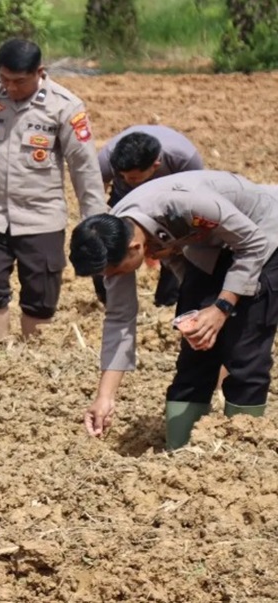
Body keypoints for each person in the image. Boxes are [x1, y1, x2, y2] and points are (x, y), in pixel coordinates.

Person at [70, 170, 277, 450]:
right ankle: (181, 450)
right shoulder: (113, 235)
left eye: (115, 272)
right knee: (196, 348)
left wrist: (222, 307)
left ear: (135, 247)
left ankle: (243, 451)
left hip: (263, 234)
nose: (114, 278)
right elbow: (120, 319)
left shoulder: (187, 205)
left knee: (245, 352)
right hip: (211, 247)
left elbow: (253, 243)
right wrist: (105, 397)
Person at [0, 38, 105, 344]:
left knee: (41, 295)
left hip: (42, 217)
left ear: (40, 72)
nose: (10, 88)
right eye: (5, 80)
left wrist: (95, 222)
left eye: (18, 81)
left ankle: (32, 353)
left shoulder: (64, 106)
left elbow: (85, 168)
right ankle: (0, 351)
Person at [92, 125, 205, 306]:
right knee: (107, 245)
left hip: (170, 200)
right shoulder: (106, 160)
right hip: (123, 198)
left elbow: (196, 203)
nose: (129, 180)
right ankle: (108, 299)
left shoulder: (184, 159)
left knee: (175, 246)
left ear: (156, 166)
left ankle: (167, 302)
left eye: (134, 178)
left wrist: (177, 244)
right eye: (123, 176)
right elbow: (94, 202)